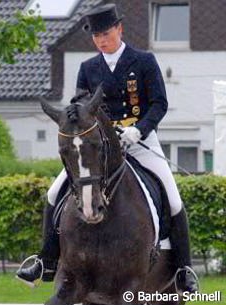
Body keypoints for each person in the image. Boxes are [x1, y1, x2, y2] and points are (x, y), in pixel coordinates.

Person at [16, 3, 198, 292]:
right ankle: (46, 260)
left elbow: (159, 104)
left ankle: (183, 269)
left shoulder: (143, 61)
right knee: (54, 192)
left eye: (106, 33)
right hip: (97, 146)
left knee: (173, 198)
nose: (101, 40)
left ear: (119, 29)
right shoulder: (88, 68)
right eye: (96, 36)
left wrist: (138, 131)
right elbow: (77, 107)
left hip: (139, 139)